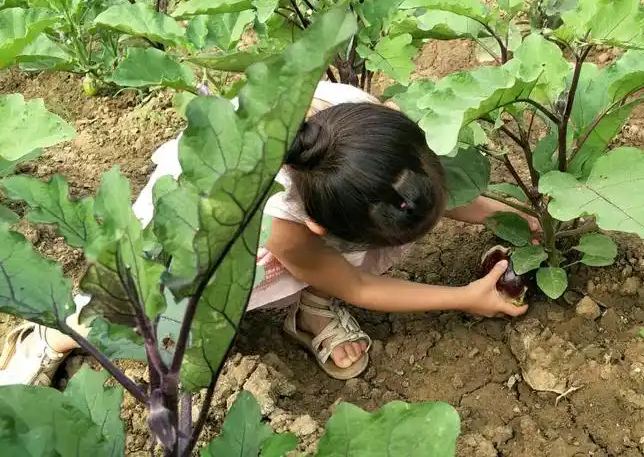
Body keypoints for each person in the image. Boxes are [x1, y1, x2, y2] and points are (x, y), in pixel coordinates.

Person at [0, 82, 534, 384]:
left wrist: (517, 219)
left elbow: (425, 192)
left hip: (310, 219)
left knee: (358, 244)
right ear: (324, 229)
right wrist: (466, 298)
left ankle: (307, 308)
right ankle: (56, 328)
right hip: (195, 238)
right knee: (144, 303)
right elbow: (362, 288)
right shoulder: (283, 223)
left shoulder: (369, 131)